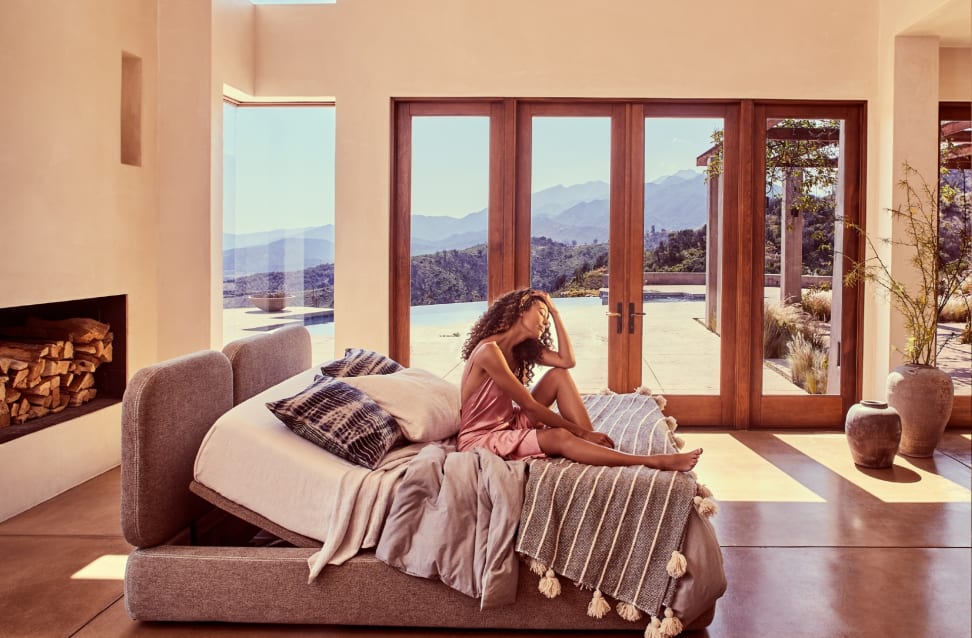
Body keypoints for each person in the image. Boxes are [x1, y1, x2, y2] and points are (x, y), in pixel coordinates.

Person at [458, 288, 702, 471]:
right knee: (560, 436)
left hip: (509, 422)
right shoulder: (488, 351)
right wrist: (578, 433)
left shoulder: (521, 349)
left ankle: (592, 448)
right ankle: (653, 461)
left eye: (547, 318)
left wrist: (555, 312)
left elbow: (566, 361)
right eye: (542, 315)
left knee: (558, 375)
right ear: (521, 310)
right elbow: (530, 406)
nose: (545, 324)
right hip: (482, 438)